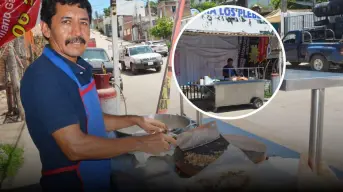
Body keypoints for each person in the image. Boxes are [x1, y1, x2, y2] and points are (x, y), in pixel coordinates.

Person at [20, 0, 176, 191]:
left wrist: (135, 120)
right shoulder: (44, 77)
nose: (77, 32)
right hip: (73, 183)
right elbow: (75, 147)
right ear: (46, 29)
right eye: (66, 22)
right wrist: (142, 142)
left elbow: (90, 118)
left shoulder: (80, 66)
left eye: (84, 23)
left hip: (97, 175)